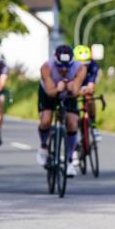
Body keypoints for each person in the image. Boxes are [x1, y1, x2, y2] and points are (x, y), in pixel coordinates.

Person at [37, 44, 86, 177]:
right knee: (46, 120)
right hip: (49, 92)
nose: (64, 70)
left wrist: (71, 87)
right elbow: (50, 92)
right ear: (55, 62)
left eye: (67, 67)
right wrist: (58, 89)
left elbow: (76, 92)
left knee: (72, 123)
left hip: (68, 94)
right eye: (60, 67)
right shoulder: (46, 67)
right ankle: (43, 147)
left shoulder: (80, 68)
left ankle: (69, 160)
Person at [73, 45, 102, 145]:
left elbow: (91, 86)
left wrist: (87, 90)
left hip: (85, 86)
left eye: (86, 64)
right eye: (81, 65)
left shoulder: (93, 66)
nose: (84, 67)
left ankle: (93, 125)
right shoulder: (70, 67)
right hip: (74, 86)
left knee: (90, 97)